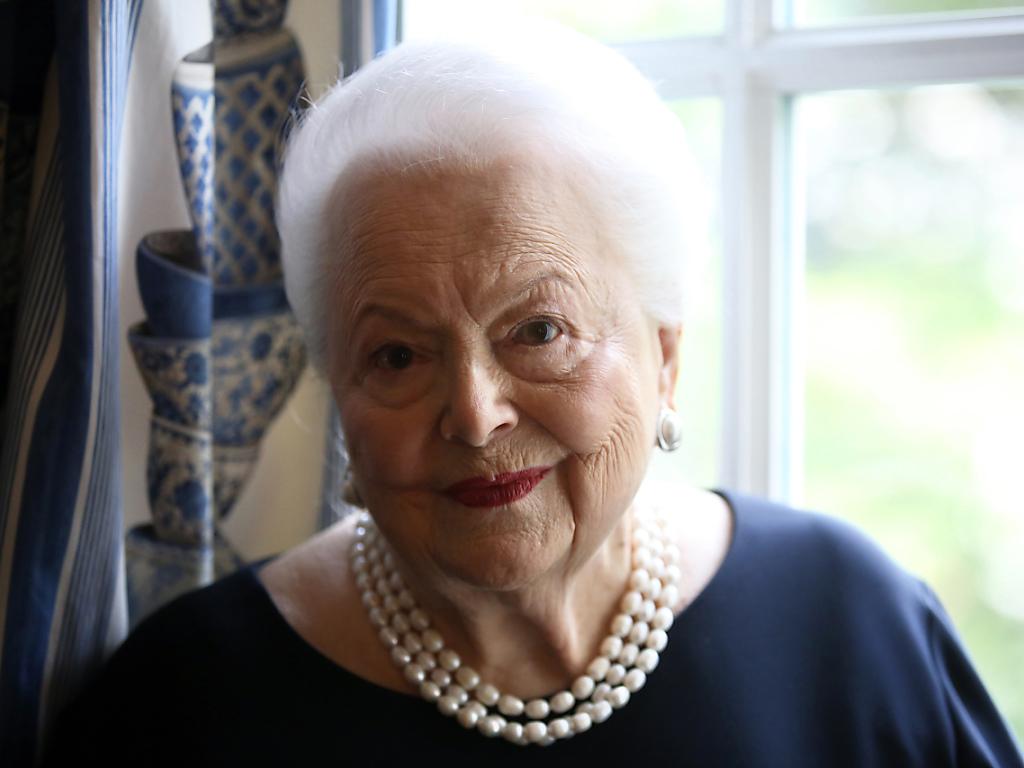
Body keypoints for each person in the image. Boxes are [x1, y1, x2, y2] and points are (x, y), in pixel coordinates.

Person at [44, 22, 1022, 766]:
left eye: (538, 330)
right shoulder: (189, 704)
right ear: (338, 386)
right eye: (398, 355)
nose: (475, 415)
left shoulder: (848, 625)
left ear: (665, 357)